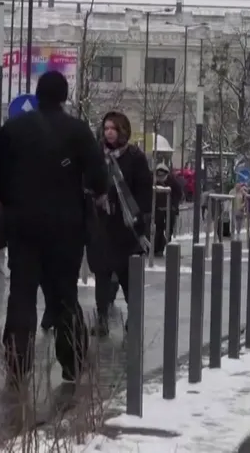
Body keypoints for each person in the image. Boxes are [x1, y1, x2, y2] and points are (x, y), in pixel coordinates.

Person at [0, 72, 107, 382]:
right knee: (64, 294)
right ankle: (71, 360)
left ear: (37, 94)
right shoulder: (78, 130)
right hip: (66, 227)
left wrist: (11, 202)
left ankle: (18, 359)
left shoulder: (13, 130)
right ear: (65, 95)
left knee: (22, 291)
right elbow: (99, 179)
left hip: (23, 224)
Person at [88, 112, 153, 336]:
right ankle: (102, 318)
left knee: (127, 277)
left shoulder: (135, 157)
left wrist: (140, 220)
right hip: (101, 223)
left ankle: (133, 318)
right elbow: (87, 180)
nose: (109, 133)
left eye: (113, 129)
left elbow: (144, 191)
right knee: (101, 273)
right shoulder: (97, 154)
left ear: (123, 131)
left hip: (126, 226)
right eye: (106, 128)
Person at [153, 165, 184, 256]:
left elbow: (179, 194)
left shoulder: (172, 181)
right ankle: (157, 249)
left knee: (168, 229)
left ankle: (164, 246)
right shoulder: (154, 181)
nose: (161, 178)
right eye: (159, 176)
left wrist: (174, 206)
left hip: (170, 209)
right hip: (158, 209)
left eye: (162, 176)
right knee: (158, 229)